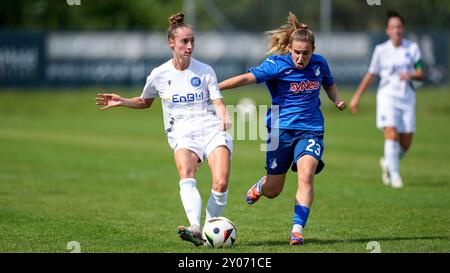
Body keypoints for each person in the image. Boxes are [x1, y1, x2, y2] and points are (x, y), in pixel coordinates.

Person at [95, 12, 233, 246]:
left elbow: (218, 102)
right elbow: (145, 101)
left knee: (220, 183)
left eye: (192, 41)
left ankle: (210, 233)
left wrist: (225, 117)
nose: (189, 46)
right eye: (184, 41)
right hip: (182, 132)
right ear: (172, 43)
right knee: (185, 173)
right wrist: (122, 101)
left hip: (211, 128)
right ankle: (195, 228)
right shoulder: (159, 74)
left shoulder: (206, 70)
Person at [218, 12, 346, 245]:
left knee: (306, 175)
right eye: (297, 52)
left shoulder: (320, 63)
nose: (300, 58)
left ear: (313, 51)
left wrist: (336, 99)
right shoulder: (277, 65)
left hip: (311, 129)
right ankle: (261, 185)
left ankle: (297, 230)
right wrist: (216, 88)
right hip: (280, 131)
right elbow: (246, 78)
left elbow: (329, 84)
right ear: (289, 48)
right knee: (273, 189)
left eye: (306, 53)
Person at [349, 11, 424, 188]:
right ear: (387, 30)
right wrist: (356, 97)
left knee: (406, 143)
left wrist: (411, 74)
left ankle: (388, 162)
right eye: (393, 27)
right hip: (387, 96)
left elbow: (421, 73)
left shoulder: (412, 48)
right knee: (390, 133)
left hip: (407, 97)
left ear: (403, 29)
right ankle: (395, 176)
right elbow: (371, 74)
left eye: (399, 27)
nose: (396, 30)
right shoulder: (381, 50)